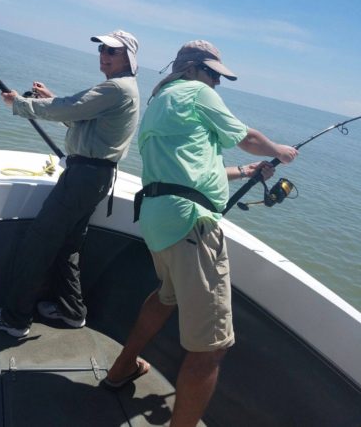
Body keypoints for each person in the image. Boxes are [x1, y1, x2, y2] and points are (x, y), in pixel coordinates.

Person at [103, 40, 298, 427]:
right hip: (192, 223)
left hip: (161, 219)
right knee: (211, 349)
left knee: (165, 296)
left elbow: (189, 168)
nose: (215, 84)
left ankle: (121, 369)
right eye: (212, 74)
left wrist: (246, 171)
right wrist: (279, 150)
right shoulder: (195, 91)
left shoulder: (160, 102)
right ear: (191, 69)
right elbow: (248, 138)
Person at [0, 30, 140, 337]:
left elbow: (69, 108)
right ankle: (72, 310)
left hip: (83, 178)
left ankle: (14, 319)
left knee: (37, 244)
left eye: (113, 51)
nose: (104, 54)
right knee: (68, 246)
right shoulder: (121, 90)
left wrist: (18, 104)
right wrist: (48, 99)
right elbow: (78, 119)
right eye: (103, 49)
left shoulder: (117, 88)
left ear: (129, 58)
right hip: (94, 177)